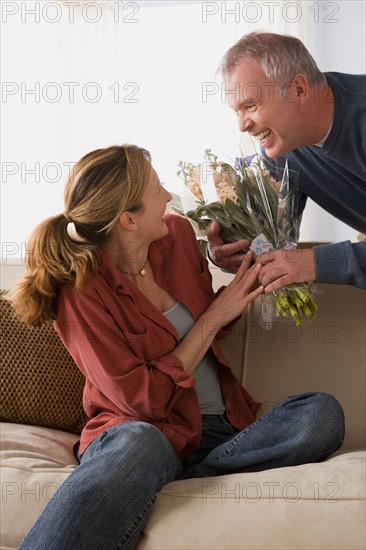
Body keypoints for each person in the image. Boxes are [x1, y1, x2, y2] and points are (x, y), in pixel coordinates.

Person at [12, 144, 344, 550]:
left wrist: (242, 277)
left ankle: (173, 476)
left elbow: (215, 324)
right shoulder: (80, 289)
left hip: (223, 428)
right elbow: (142, 401)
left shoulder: (180, 236)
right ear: (128, 219)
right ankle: (154, 470)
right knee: (141, 443)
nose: (168, 195)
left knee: (321, 414)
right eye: (157, 188)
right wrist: (213, 318)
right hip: (144, 432)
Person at [207, 31, 366, 291]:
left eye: (250, 106)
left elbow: (310, 263)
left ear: (298, 90)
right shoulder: (282, 150)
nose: (242, 125)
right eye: (236, 111)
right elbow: (275, 240)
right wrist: (236, 248)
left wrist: (315, 262)